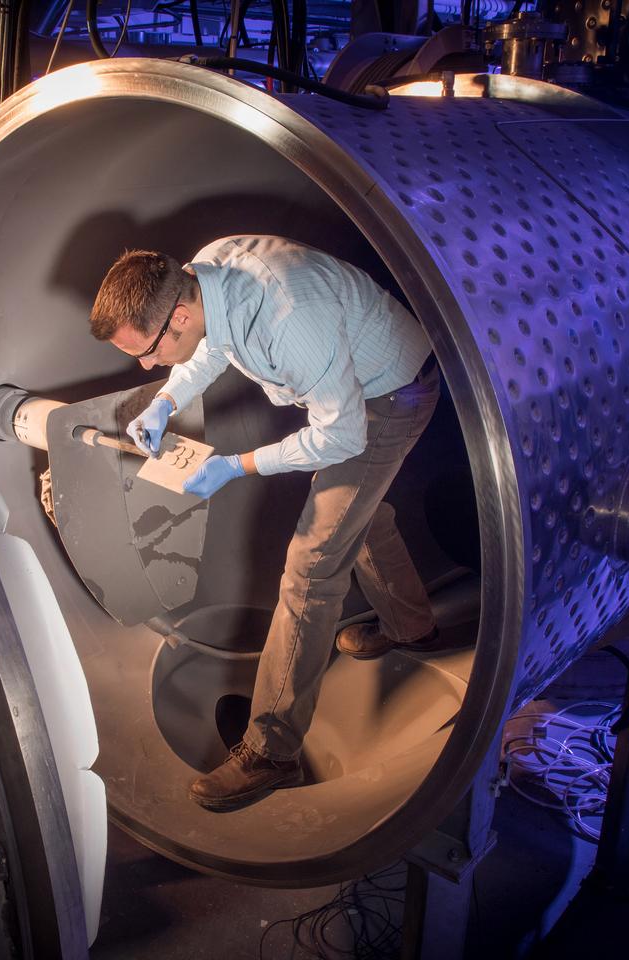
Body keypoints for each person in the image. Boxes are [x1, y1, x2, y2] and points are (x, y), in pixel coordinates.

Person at [89, 236, 443, 812]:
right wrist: (166, 399)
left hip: (390, 396)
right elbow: (210, 345)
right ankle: (413, 628)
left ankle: (272, 751)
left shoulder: (288, 315)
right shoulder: (204, 275)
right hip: (359, 380)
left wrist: (236, 466)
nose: (146, 365)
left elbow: (342, 436)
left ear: (177, 313)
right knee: (357, 511)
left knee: (311, 567)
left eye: (148, 352)